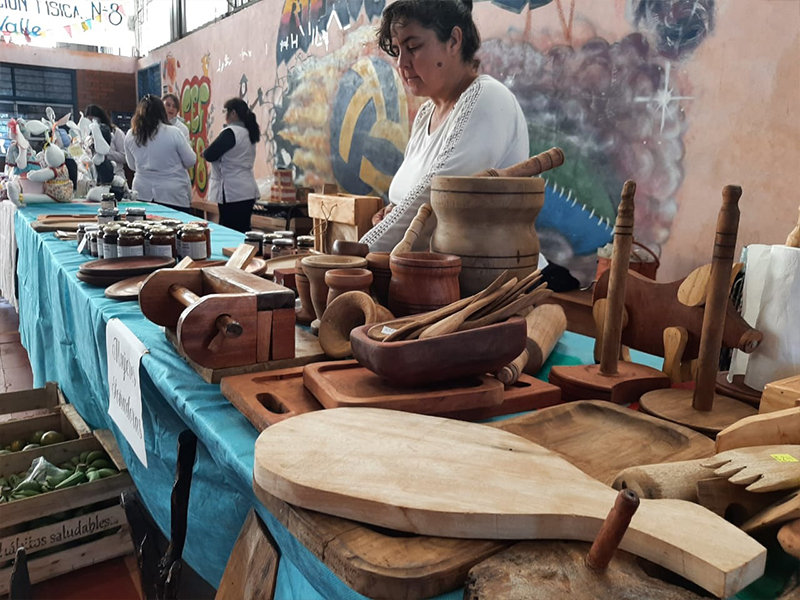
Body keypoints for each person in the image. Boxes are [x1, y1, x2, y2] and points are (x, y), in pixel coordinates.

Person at [360, 0, 529, 252]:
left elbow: (436, 201)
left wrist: (359, 252)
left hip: (491, 283)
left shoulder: (488, 98)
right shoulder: (426, 113)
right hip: (425, 278)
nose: (402, 63)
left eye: (413, 46)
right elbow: (414, 203)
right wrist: (392, 212)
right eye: (397, 51)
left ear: (454, 41)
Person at [124, 95, 196, 210]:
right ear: (161, 111)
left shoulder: (131, 134)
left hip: (142, 192)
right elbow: (190, 161)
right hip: (172, 194)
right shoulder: (174, 132)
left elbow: (131, 166)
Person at [202, 98, 261, 233]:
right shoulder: (248, 132)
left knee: (230, 232)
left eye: (225, 112)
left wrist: (204, 153)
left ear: (233, 113)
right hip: (247, 189)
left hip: (232, 191)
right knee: (243, 230)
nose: (225, 116)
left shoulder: (231, 132)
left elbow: (210, 154)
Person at [85, 104, 126, 181]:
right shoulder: (87, 136)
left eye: (94, 121)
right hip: (96, 177)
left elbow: (124, 157)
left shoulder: (116, 132)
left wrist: (104, 152)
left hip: (116, 175)